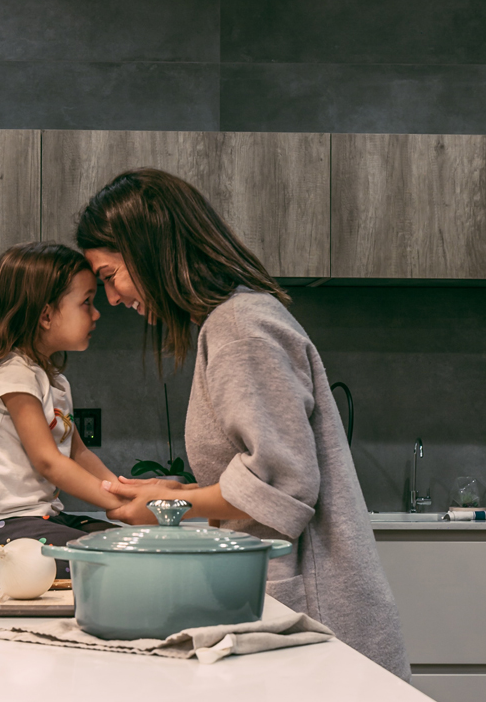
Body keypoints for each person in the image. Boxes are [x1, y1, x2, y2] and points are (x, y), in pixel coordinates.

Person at [75, 168, 410, 681]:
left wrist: (173, 505)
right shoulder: (233, 322)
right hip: (283, 602)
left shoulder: (239, 329)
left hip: (314, 614)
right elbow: (261, 470)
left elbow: (283, 483)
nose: (113, 299)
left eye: (108, 276)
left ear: (148, 249)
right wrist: (181, 489)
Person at [0, 242, 122, 584]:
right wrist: (114, 502)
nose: (96, 313)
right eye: (87, 302)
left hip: (37, 520)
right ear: (46, 315)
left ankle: (2, 561)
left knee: (124, 547)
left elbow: (78, 453)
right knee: (104, 560)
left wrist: (121, 495)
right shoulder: (14, 374)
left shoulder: (54, 380)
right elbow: (48, 461)